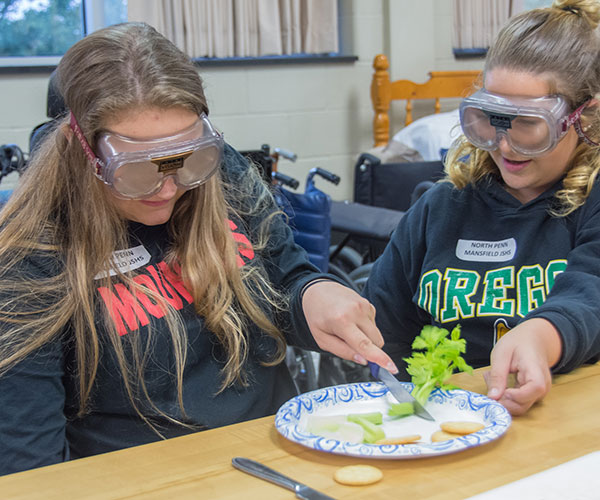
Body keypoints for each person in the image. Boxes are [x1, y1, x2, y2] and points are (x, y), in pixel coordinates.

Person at [0, 22, 396, 476]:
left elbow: (286, 277)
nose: (168, 189)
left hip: (279, 459)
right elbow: (29, 465)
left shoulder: (222, 174)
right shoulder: (29, 255)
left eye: (188, 160)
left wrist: (314, 295)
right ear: (77, 148)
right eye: (137, 170)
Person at [364, 0, 600, 417]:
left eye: (529, 124)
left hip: (563, 423)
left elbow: (591, 292)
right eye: (490, 117)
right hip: (447, 426)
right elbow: (387, 327)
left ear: (585, 117)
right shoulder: (438, 209)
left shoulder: (591, 202)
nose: (504, 144)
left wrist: (542, 336)